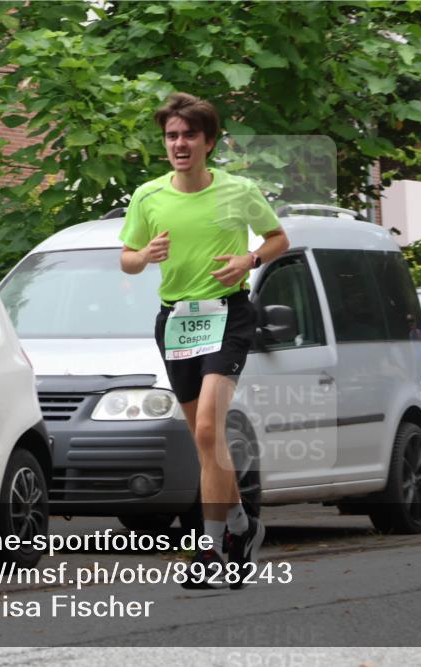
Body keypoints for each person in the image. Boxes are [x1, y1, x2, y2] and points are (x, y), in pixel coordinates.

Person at [119, 92, 289, 588]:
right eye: (171, 136)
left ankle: (210, 550)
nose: (179, 143)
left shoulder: (239, 191)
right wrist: (145, 254)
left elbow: (279, 238)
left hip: (229, 313)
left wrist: (250, 260)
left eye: (189, 135)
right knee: (204, 439)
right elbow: (126, 258)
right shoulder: (148, 197)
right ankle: (241, 525)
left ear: (208, 142)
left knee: (211, 429)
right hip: (176, 321)